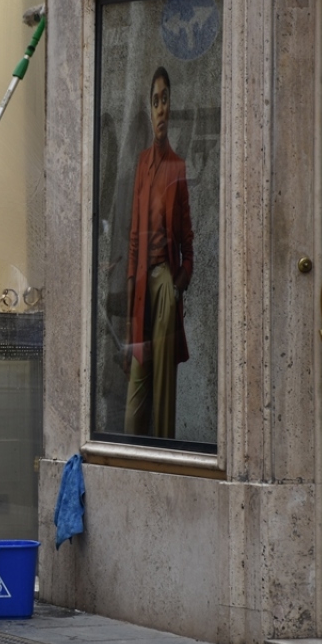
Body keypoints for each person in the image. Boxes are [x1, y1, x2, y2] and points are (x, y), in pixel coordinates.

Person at [124, 67, 193, 439]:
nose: (161, 107)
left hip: (165, 281)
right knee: (138, 385)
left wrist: (177, 284)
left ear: (171, 106)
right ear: (150, 111)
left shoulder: (177, 167)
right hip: (140, 286)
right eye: (155, 101)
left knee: (164, 388)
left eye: (165, 99)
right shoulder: (141, 164)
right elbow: (134, 236)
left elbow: (187, 241)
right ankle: (132, 457)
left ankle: (165, 456)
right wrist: (130, 292)